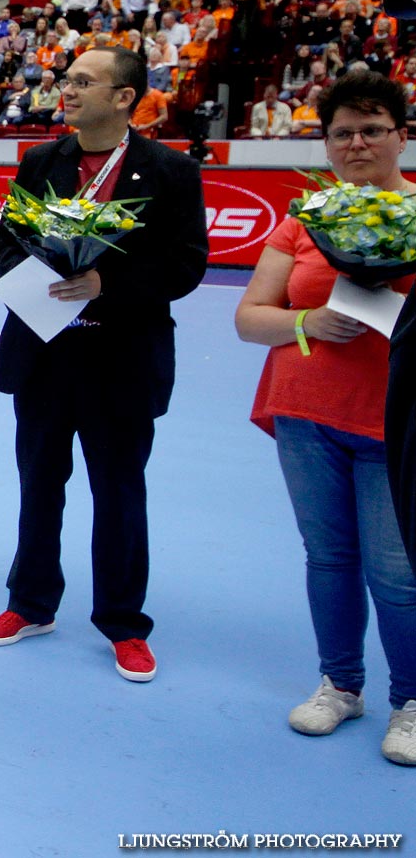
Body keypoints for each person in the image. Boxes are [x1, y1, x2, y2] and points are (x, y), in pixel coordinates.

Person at [0, 47, 208, 682]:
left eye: (84, 80)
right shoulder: (40, 160)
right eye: (66, 78)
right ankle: (30, 605)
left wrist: (107, 282)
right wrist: (36, 280)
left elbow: (186, 265)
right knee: (38, 486)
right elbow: (5, 247)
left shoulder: (170, 171)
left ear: (125, 97)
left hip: (122, 360)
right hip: (46, 353)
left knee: (119, 494)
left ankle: (123, 623)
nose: (67, 88)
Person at [239, 71, 416, 765]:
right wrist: (311, 319)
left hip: (392, 423)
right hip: (306, 415)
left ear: (402, 135)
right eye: (341, 132)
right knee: (329, 557)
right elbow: (250, 319)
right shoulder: (306, 221)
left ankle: (411, 700)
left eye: (372, 129)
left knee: (398, 571)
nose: (356, 143)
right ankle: (341, 684)